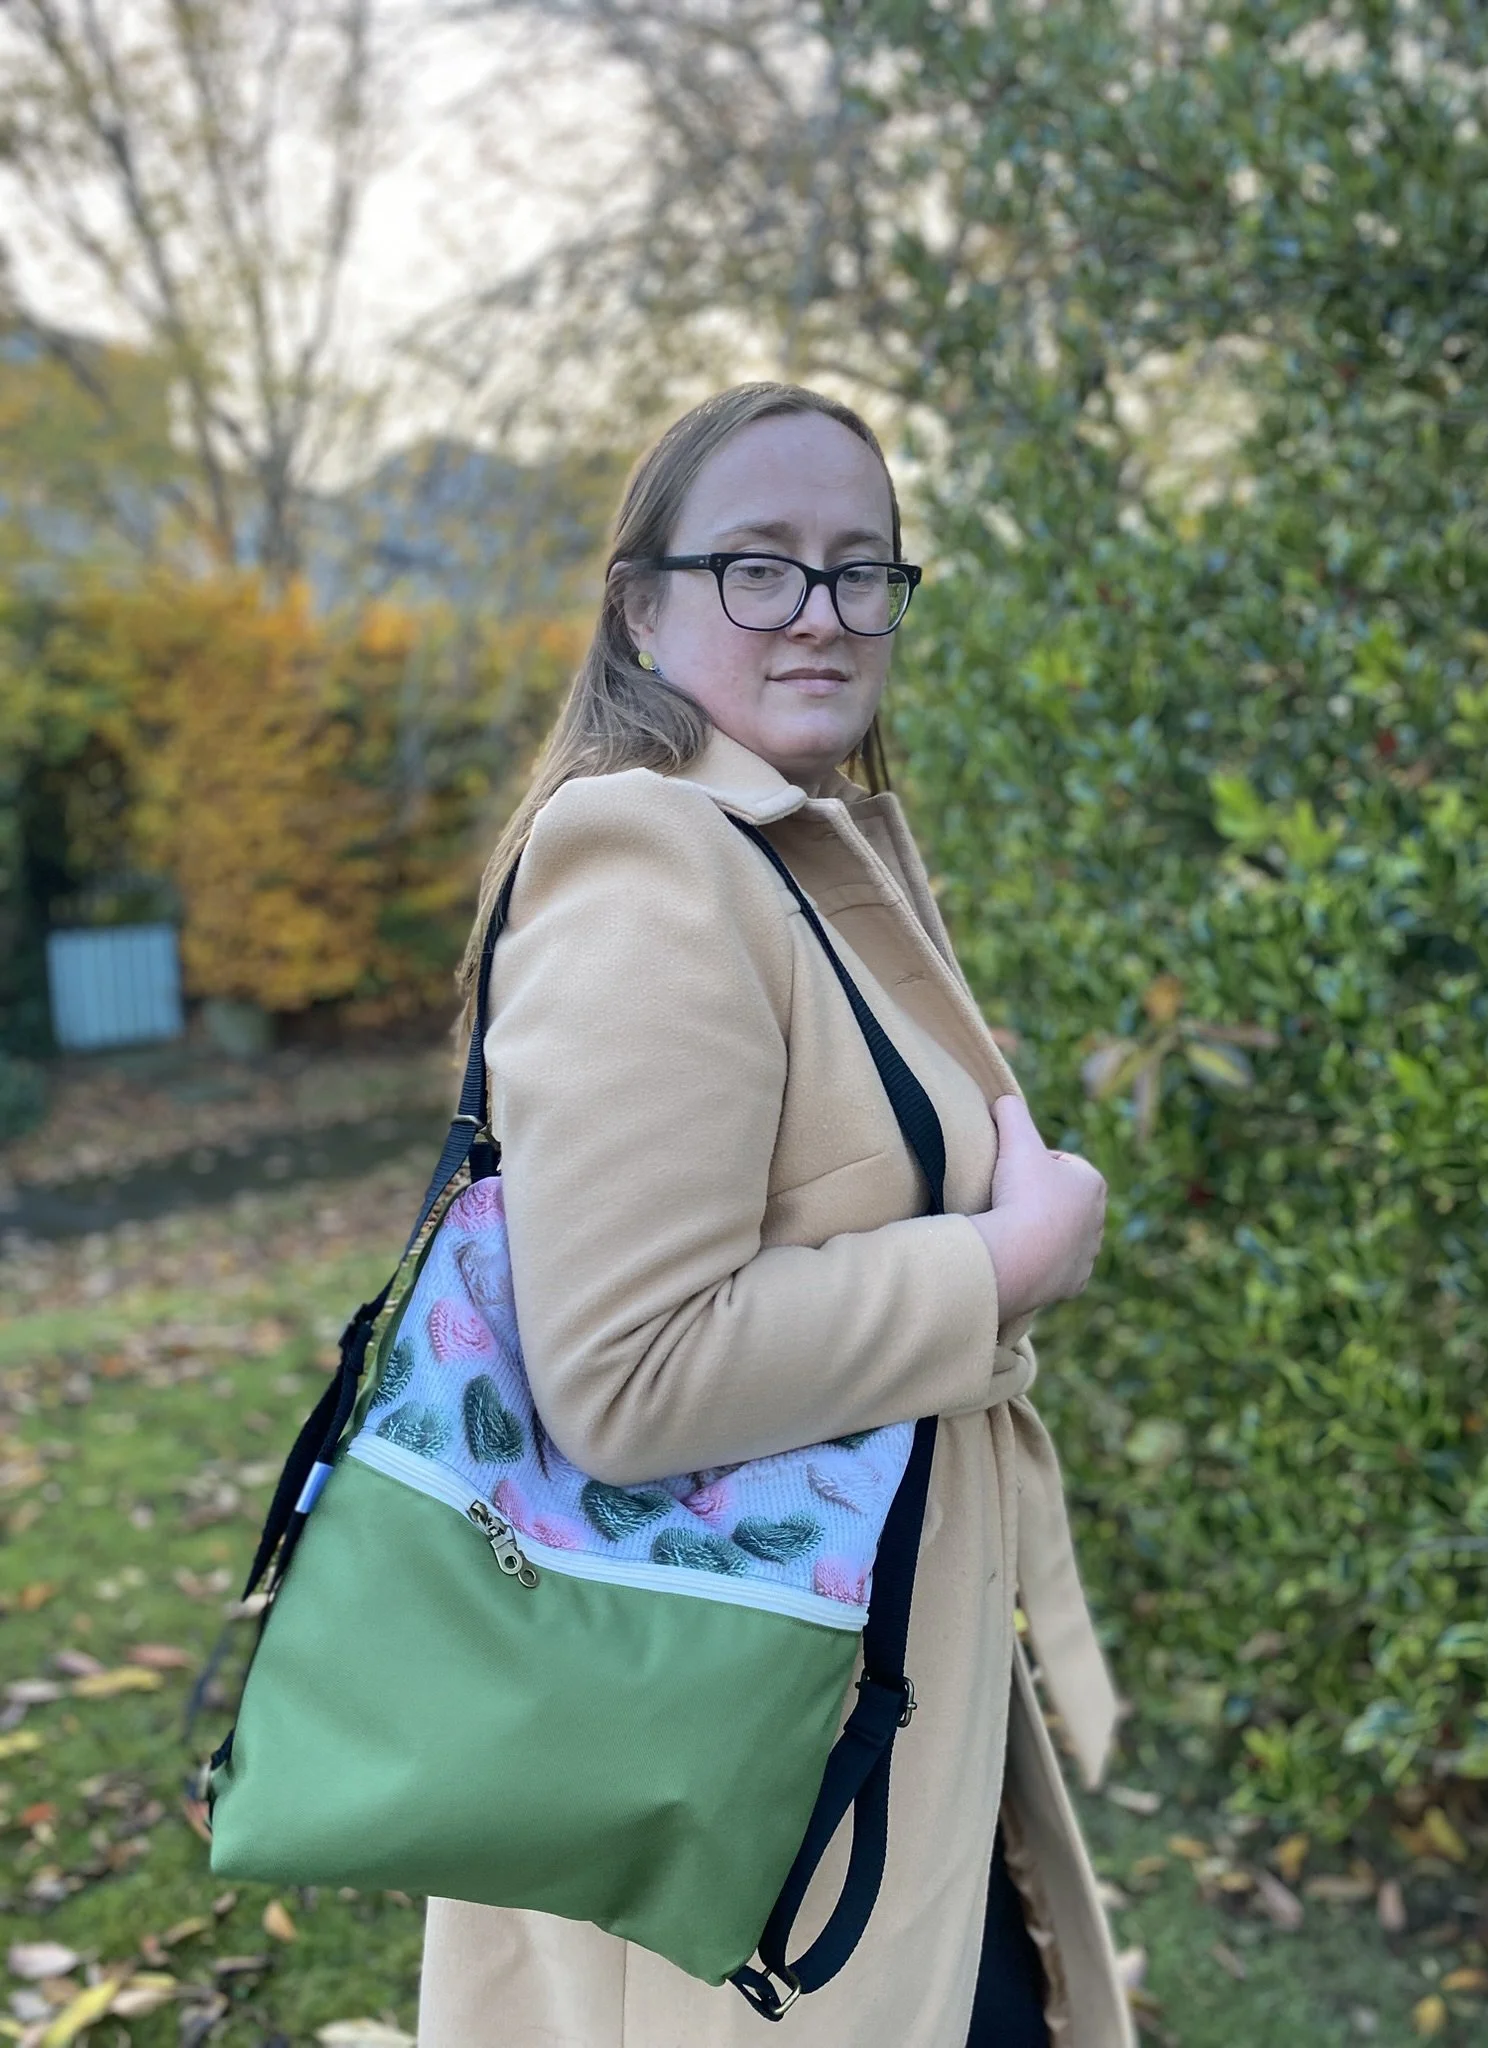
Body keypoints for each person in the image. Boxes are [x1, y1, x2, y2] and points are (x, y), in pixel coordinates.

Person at [415, 383, 1133, 2048]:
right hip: (733, 1757)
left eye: (860, 568)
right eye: (760, 564)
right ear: (642, 608)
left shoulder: (800, 855)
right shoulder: (651, 866)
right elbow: (625, 1379)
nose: (820, 610)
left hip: (851, 1705)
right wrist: (1005, 1265)